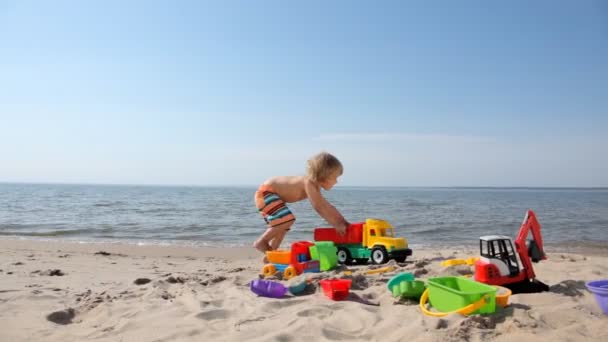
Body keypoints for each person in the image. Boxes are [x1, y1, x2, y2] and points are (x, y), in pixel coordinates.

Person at [253, 151, 350, 256]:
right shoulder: (308, 183)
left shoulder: (314, 186)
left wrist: (343, 222)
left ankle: (271, 253)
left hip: (273, 194)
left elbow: (326, 205)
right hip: (266, 193)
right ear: (323, 176)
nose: (336, 182)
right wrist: (336, 224)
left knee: (283, 226)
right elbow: (319, 207)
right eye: (334, 178)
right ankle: (261, 242)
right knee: (286, 221)